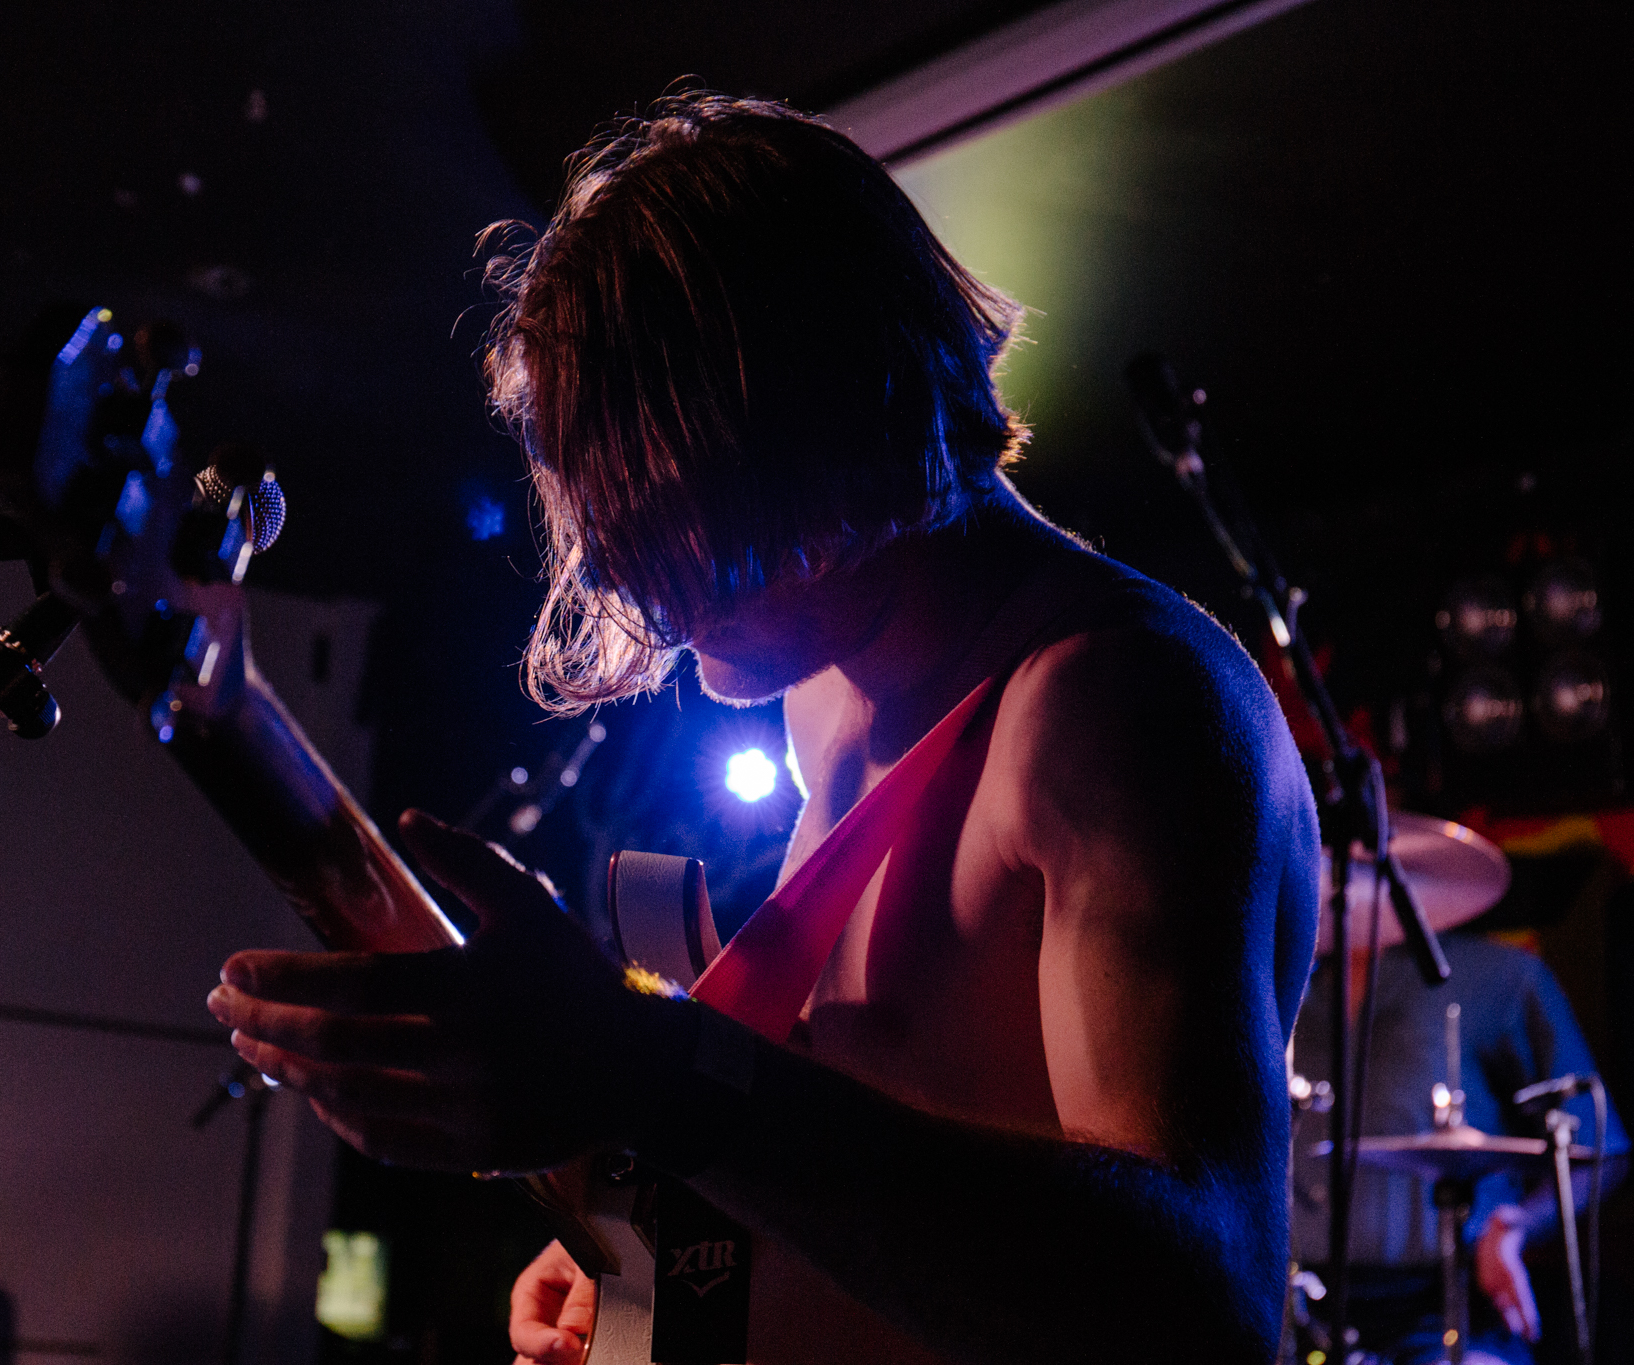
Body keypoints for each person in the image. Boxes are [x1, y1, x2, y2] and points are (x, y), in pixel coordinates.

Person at [203, 94, 1320, 1363]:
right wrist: (658, 1254)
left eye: (662, 501)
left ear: (819, 425)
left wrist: (648, 1072)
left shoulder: (1108, 705)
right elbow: (887, 1149)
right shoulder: (824, 694)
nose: (622, 574)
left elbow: (1204, 1311)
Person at [1291, 931, 1627, 1364]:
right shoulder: (1277, 976)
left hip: (1451, 1305)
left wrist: (1515, 1226)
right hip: (1298, 1304)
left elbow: (1598, 1149)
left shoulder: (1502, 977)